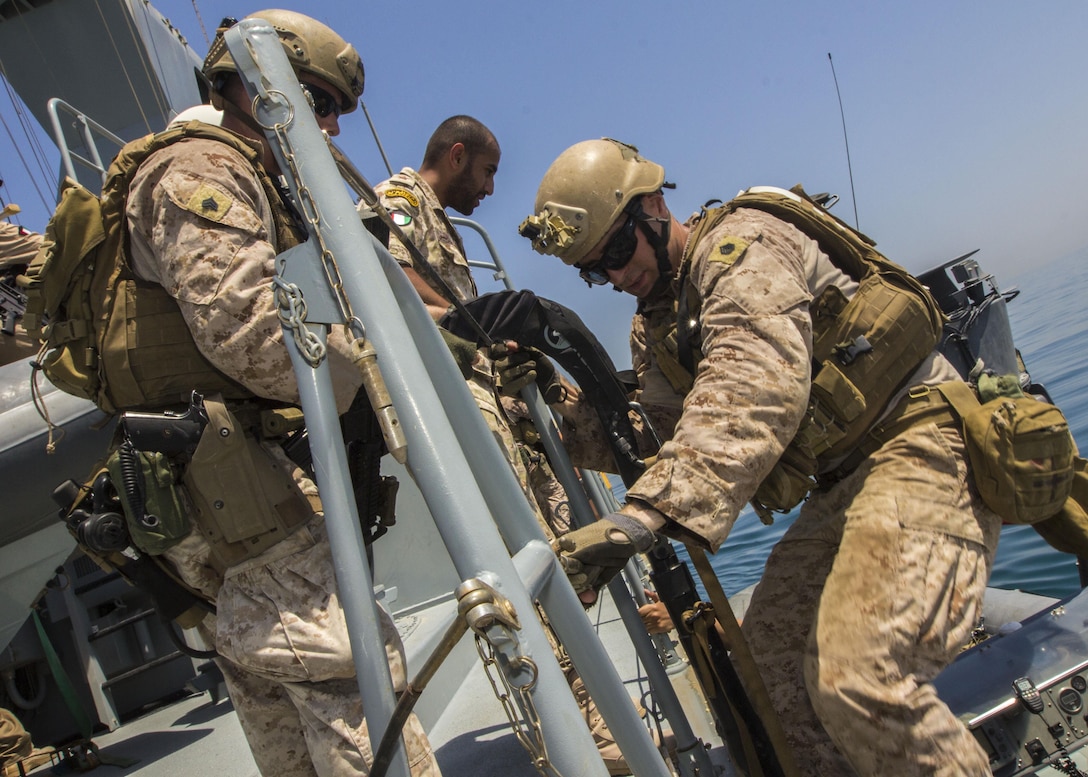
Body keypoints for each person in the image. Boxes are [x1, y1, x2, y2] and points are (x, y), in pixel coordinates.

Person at [519, 138, 1001, 777]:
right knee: (772, 683)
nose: (616, 275)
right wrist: (542, 410)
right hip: (845, 485)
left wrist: (642, 517)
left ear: (653, 206)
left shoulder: (743, 246)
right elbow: (655, 435)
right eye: (594, 269)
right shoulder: (657, 322)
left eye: (615, 249)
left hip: (924, 445)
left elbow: (757, 382)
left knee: (861, 680)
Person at [115, 11, 438, 776]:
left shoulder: (240, 173)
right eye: (320, 104)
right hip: (235, 489)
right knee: (353, 674)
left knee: (283, 710)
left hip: (228, 486)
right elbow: (263, 344)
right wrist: (392, 354)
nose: (327, 129)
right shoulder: (199, 170)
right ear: (263, 90)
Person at [370, 118, 647, 774]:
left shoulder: (435, 216)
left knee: (556, 559)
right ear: (457, 155)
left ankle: (590, 722)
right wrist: (477, 323)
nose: (493, 189)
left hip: (497, 409)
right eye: (488, 172)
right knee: (527, 570)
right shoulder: (400, 201)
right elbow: (386, 277)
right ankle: (584, 742)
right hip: (466, 418)